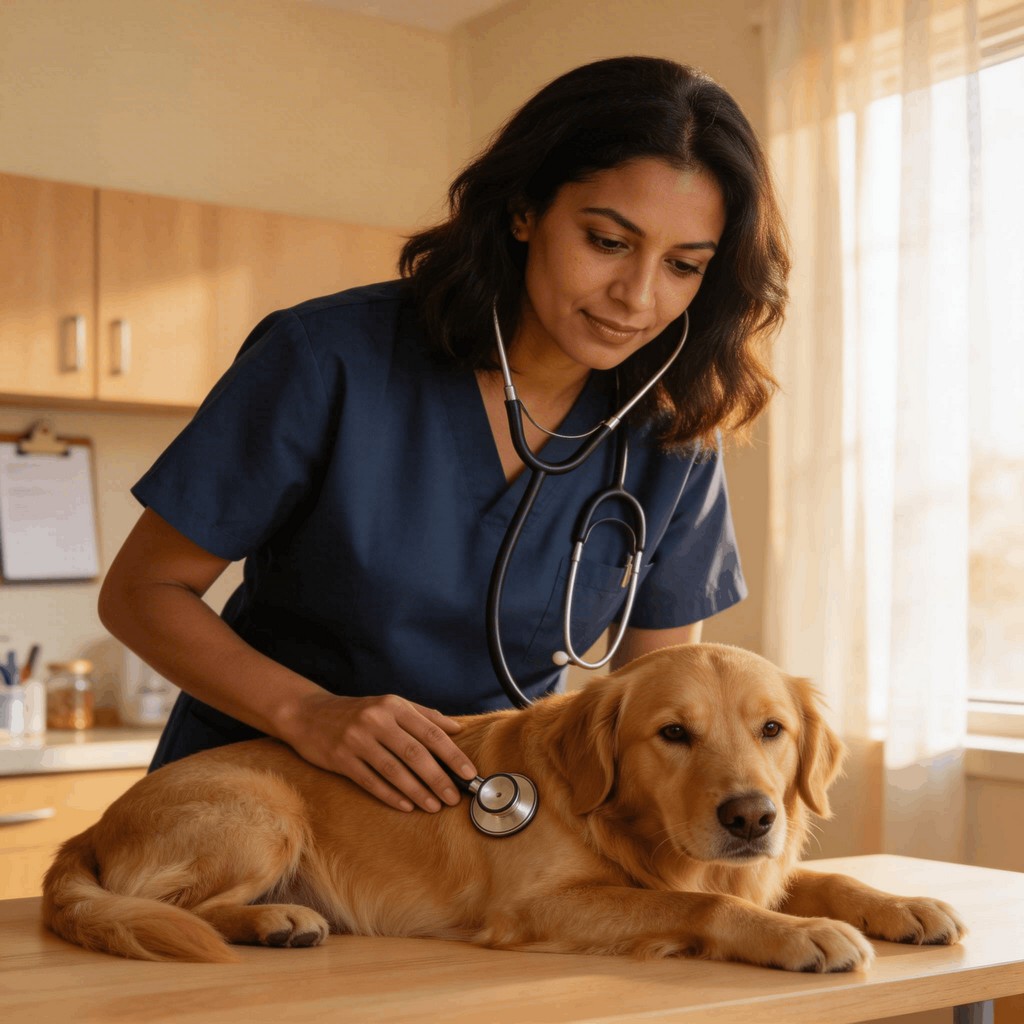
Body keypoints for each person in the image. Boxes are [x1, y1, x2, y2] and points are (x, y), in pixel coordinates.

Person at [98, 55, 789, 818]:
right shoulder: (329, 359)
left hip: (483, 827)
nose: (638, 296)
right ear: (524, 211)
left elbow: (662, 701)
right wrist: (309, 714)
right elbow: (141, 592)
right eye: (607, 242)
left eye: (684, 265)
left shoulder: (673, 431)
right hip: (252, 801)